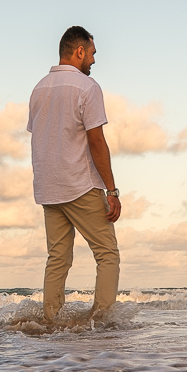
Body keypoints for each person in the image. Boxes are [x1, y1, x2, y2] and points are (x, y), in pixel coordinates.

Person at [28, 25, 122, 324]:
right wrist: (111, 190)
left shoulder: (39, 89)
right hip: (80, 184)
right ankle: (103, 322)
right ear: (79, 51)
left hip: (48, 187)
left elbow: (40, 134)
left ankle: (50, 322)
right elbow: (96, 141)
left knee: (57, 260)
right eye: (92, 53)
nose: (93, 60)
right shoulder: (87, 87)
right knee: (107, 254)